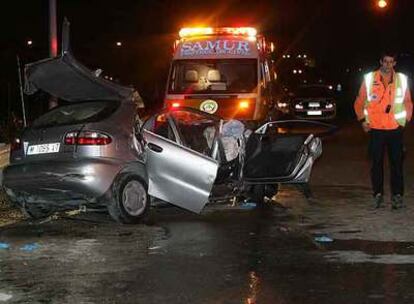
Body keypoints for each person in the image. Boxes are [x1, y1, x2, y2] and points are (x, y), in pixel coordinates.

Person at [354, 52, 413, 209]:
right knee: (377, 164)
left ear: (394, 63)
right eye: (385, 61)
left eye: (391, 62)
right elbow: (359, 102)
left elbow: (408, 102)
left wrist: (404, 122)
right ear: (380, 62)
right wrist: (362, 121)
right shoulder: (369, 78)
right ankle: (377, 194)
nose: (388, 65)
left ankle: (397, 195)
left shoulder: (401, 79)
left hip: (395, 129)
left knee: (397, 164)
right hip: (376, 129)